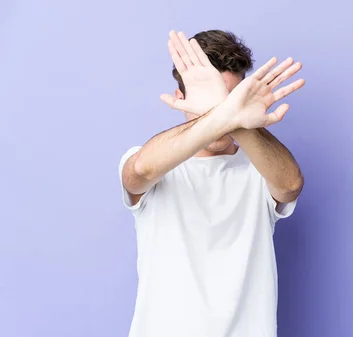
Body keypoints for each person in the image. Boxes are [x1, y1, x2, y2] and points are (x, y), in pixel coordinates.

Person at [118, 30, 305, 337]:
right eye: (209, 102)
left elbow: (290, 185)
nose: (222, 111)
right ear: (180, 99)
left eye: (230, 100)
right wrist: (225, 114)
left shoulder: (260, 171)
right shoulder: (152, 161)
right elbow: (139, 171)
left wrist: (231, 115)